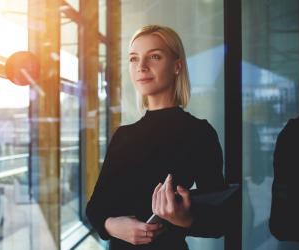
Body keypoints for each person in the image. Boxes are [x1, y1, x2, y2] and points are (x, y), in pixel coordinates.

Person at [86, 25, 227, 250]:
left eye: (154, 56)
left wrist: (185, 219)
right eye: (134, 59)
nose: (141, 67)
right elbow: (95, 209)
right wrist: (113, 226)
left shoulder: (199, 133)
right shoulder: (124, 135)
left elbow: (220, 220)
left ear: (177, 66)